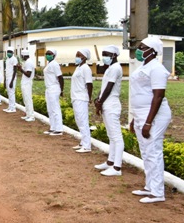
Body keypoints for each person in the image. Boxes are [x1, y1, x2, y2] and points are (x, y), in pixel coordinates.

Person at [129, 36, 172, 203]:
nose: (139, 50)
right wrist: (134, 119)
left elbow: (158, 96)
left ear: (152, 51)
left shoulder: (157, 69)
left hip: (154, 116)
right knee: (146, 152)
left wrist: (148, 122)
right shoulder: (144, 66)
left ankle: (158, 192)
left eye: (142, 47)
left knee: (153, 151)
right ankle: (149, 186)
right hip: (141, 114)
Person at [94, 45, 124, 176]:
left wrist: (100, 101)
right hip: (107, 103)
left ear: (114, 55)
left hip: (111, 104)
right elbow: (104, 86)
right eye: (103, 54)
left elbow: (109, 87)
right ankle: (110, 162)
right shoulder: (110, 68)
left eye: (106, 54)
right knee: (111, 135)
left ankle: (117, 167)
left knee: (116, 136)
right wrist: (98, 99)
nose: (104, 57)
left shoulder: (116, 68)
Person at [71, 48, 93, 153]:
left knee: (83, 121)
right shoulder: (78, 67)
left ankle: (87, 145)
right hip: (76, 97)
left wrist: (89, 98)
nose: (76, 57)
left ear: (84, 57)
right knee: (79, 120)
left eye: (78, 55)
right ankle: (83, 142)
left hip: (82, 97)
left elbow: (89, 84)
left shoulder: (86, 68)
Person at [43, 49, 64, 136]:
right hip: (48, 88)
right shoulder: (49, 64)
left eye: (50, 54)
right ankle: (53, 127)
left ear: (54, 55)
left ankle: (59, 129)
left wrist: (61, 90)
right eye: (47, 53)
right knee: (50, 109)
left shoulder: (55, 64)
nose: (47, 55)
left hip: (54, 88)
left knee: (55, 108)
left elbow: (60, 78)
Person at [17, 49, 35, 121]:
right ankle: (28, 114)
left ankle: (31, 116)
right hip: (25, 82)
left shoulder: (29, 62)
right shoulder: (27, 62)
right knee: (25, 99)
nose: (21, 57)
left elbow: (28, 74)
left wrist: (21, 69)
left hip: (27, 83)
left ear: (24, 55)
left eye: (22, 56)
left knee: (28, 99)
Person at [4, 47, 18, 113]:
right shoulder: (7, 59)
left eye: (10, 52)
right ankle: (10, 106)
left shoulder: (14, 59)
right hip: (7, 77)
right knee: (9, 93)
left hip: (11, 78)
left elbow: (15, 70)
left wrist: (12, 81)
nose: (8, 53)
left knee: (12, 92)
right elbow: (6, 70)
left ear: (13, 52)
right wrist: (4, 80)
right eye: (8, 51)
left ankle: (13, 108)